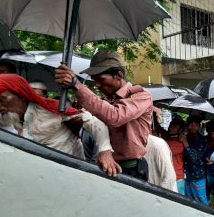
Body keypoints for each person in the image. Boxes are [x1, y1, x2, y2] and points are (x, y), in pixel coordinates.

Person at [0, 74, 120, 176]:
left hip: (69, 172)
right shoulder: (11, 115)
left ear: (21, 96)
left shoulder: (50, 109)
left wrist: (105, 151)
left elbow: (94, 122)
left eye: (0, 99)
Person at [55, 50, 153, 180]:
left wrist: (77, 86)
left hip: (130, 169)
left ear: (119, 75)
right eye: (94, 80)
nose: (97, 85)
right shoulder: (106, 101)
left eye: (101, 79)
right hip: (105, 164)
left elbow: (115, 116)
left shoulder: (141, 96)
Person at [182, 115, 208, 205]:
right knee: (189, 200)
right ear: (187, 125)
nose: (192, 127)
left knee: (201, 201)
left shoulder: (202, 140)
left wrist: (185, 143)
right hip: (186, 175)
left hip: (197, 175)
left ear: (199, 126)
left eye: (195, 125)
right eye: (190, 124)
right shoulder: (186, 136)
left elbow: (194, 158)